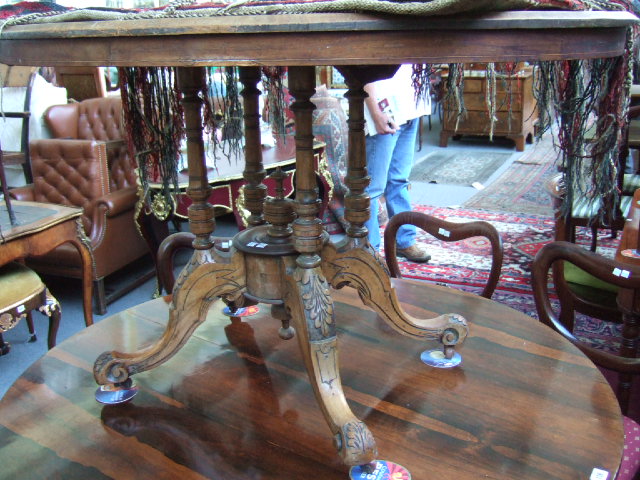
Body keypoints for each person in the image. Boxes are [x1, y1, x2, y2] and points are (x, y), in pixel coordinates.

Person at [363, 64, 431, 262]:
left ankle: (404, 241)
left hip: (409, 109)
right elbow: (365, 69)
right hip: (386, 108)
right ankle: (370, 251)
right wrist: (375, 111)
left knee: (399, 180)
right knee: (373, 188)